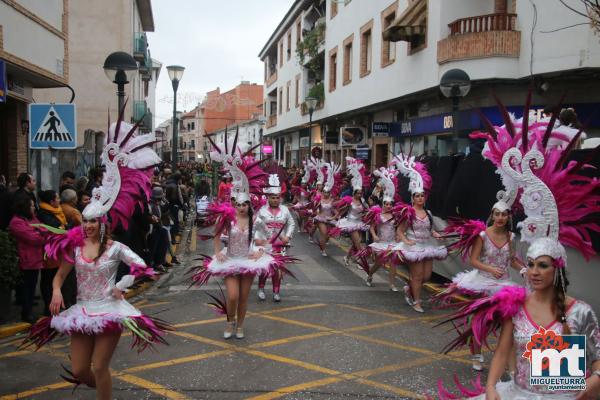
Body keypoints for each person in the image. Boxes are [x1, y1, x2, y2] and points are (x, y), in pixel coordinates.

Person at [22, 118, 171, 400]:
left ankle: (104, 392)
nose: (88, 225)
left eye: (94, 221)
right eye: (85, 220)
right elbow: (60, 275)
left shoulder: (114, 248)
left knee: (100, 367)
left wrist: (123, 284)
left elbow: (142, 266)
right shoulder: (75, 248)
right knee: (80, 370)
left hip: (110, 310)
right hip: (82, 310)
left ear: (103, 223)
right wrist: (55, 291)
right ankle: (104, 390)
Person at [191, 135, 294, 338]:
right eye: (237, 204)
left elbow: (266, 239)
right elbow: (216, 235)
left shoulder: (256, 220)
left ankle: (240, 326)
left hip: (248, 260)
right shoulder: (227, 219)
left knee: (244, 298)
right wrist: (218, 251)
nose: (240, 207)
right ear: (233, 204)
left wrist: (261, 251)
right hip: (230, 260)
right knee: (233, 296)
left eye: (244, 204)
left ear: (249, 205)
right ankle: (230, 322)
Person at [392, 153, 447, 313]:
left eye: (422, 196)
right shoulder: (408, 212)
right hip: (413, 246)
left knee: (426, 276)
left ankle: (409, 289)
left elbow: (431, 230)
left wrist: (437, 235)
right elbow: (400, 231)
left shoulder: (428, 213)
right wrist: (406, 241)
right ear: (413, 198)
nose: (420, 198)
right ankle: (417, 301)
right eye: (417, 196)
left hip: (427, 246)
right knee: (417, 276)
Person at [255, 174, 296, 302]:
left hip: (280, 244)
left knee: (277, 268)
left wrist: (287, 237)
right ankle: (261, 288)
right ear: (268, 198)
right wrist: (258, 240)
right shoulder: (261, 210)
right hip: (265, 244)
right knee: (265, 268)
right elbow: (255, 226)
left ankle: (276, 292)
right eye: (273, 198)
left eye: (277, 198)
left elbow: (291, 223)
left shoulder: (285, 210)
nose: (275, 200)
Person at [363, 167, 401, 291]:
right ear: (383, 204)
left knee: (393, 263)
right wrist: (374, 235)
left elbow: (398, 228)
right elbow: (372, 227)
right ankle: (370, 274)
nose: (389, 206)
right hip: (381, 242)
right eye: (387, 204)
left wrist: (398, 236)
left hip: (392, 243)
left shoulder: (395, 215)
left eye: (391, 204)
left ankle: (392, 284)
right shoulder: (378, 214)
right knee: (378, 264)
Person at [8, 194, 45, 323]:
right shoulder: (17, 222)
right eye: (31, 205)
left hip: (35, 259)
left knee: (31, 287)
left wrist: (40, 233)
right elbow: (34, 238)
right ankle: (26, 313)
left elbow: (43, 230)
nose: (34, 207)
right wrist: (41, 235)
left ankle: (29, 312)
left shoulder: (31, 218)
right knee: (26, 289)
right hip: (26, 260)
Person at [332, 157, 370, 268]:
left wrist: (368, 214)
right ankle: (361, 261)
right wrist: (334, 217)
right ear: (354, 193)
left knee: (354, 244)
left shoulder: (362, 201)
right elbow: (342, 210)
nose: (360, 194)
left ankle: (347, 257)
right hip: (350, 223)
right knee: (358, 244)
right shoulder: (349, 200)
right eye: (358, 193)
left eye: (361, 193)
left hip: (359, 223)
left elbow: (367, 210)